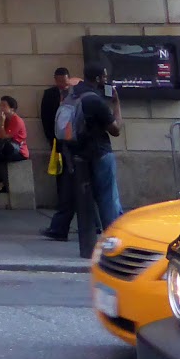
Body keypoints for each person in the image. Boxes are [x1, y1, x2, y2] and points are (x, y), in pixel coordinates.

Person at [73, 66, 124, 233]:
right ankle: (113, 235)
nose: (106, 81)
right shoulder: (95, 101)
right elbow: (115, 130)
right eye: (104, 77)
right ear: (97, 79)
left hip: (80, 152)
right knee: (108, 197)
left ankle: (94, 231)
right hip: (100, 151)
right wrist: (116, 104)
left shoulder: (73, 94)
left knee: (90, 196)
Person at [41, 67, 77, 241]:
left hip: (73, 145)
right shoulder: (50, 95)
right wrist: (51, 139)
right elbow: (45, 117)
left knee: (71, 185)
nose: (62, 85)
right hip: (58, 142)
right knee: (62, 179)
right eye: (59, 81)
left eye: (64, 81)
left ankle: (62, 226)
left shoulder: (76, 96)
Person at [0, 95, 29, 194]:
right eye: (1, 106)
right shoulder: (7, 120)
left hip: (18, 151)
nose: (1, 108)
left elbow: (5, 136)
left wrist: (2, 123)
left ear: (12, 108)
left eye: (4, 106)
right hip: (8, 149)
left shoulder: (16, 120)